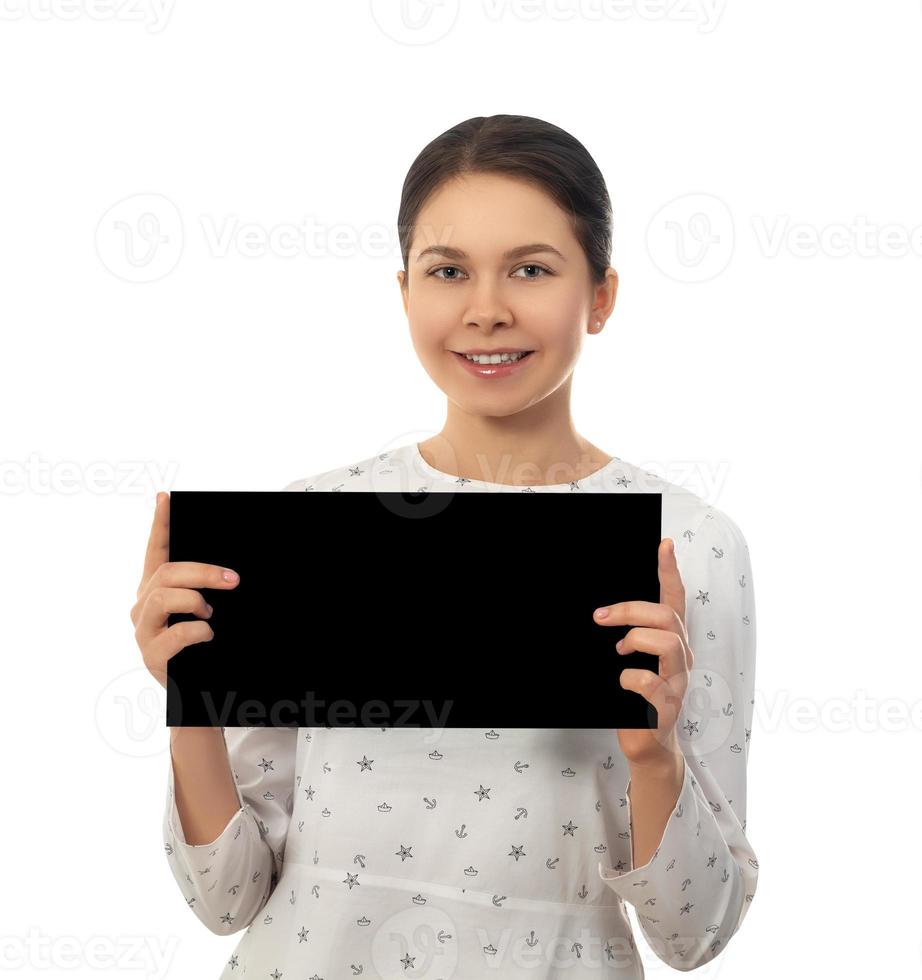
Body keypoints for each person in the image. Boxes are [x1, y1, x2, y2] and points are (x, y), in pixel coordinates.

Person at [133, 114, 758, 978]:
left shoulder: (688, 546)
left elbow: (699, 932)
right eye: (449, 271)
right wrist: (190, 699)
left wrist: (654, 758)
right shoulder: (313, 523)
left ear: (602, 295)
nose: (487, 308)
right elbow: (227, 899)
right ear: (405, 292)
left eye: (531, 269)